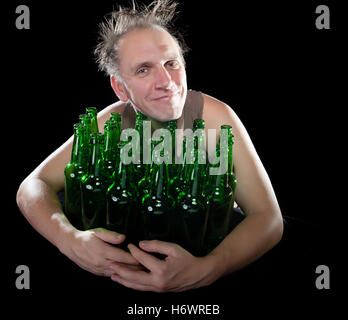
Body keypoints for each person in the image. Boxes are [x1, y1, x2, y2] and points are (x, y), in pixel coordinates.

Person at [16, 0, 283, 292]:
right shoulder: (113, 121)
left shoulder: (216, 118)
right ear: (120, 88)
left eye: (172, 64)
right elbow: (33, 185)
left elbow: (267, 218)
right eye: (144, 70)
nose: (166, 82)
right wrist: (68, 239)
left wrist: (211, 267)